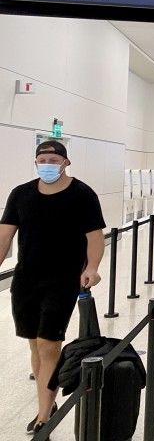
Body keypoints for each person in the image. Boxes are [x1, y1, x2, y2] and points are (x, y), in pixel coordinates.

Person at [0, 141, 106, 435]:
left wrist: (92, 267)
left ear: (65, 162)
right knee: (34, 343)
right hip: (25, 280)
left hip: (62, 280)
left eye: (52, 159)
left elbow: (95, 237)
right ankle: (48, 398)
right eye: (41, 159)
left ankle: (44, 414)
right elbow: (4, 235)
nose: (46, 164)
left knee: (48, 343)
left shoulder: (82, 194)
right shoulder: (20, 194)